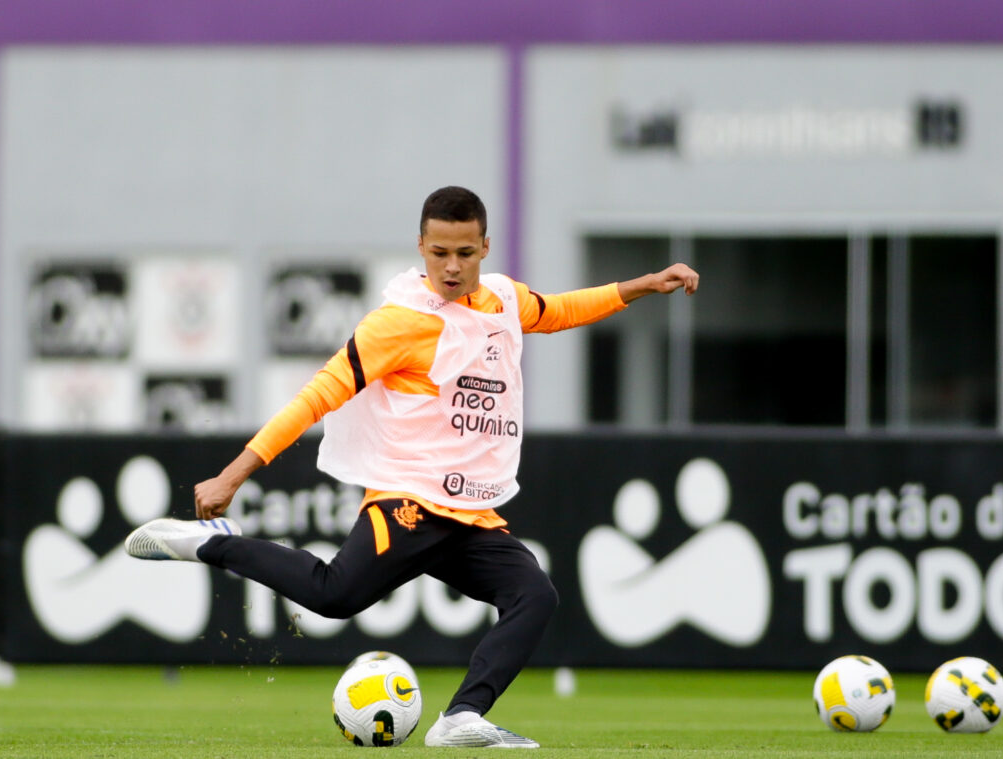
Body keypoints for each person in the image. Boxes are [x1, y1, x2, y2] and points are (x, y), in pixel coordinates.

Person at [125, 186, 699, 748]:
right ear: (421, 247)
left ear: (486, 248)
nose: (452, 267)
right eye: (439, 252)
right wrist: (234, 474)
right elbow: (317, 396)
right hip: (409, 499)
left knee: (535, 595)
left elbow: (559, 310)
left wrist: (645, 285)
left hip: (470, 511)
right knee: (333, 597)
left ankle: (461, 718)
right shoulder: (398, 322)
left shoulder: (502, 300)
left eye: (465, 253)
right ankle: (214, 544)